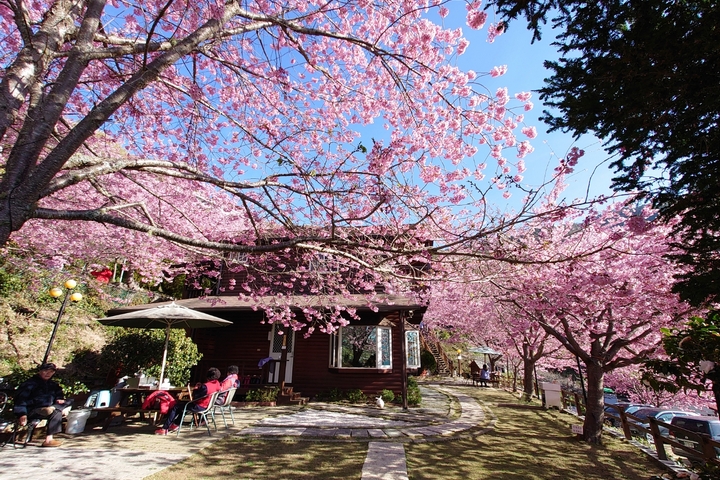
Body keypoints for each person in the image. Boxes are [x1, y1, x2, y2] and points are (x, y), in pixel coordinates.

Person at [13, 363, 68, 447]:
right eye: (46, 371)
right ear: (40, 371)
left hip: (49, 407)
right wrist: (22, 414)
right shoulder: (30, 384)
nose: (48, 373)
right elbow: (20, 399)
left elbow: (59, 394)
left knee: (66, 402)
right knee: (56, 412)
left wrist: (59, 398)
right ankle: (48, 440)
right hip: (33, 409)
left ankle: (54, 408)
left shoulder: (53, 385)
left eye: (51, 372)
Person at [155, 367, 221, 435]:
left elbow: (195, 397)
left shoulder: (205, 386)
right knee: (183, 406)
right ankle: (175, 424)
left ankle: (165, 428)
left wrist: (196, 389)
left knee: (176, 407)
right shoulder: (217, 384)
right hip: (207, 405)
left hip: (199, 406)